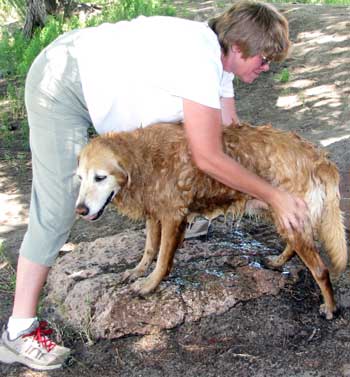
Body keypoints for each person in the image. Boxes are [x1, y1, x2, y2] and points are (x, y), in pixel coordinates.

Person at [0, 0, 309, 370]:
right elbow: (208, 157)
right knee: (57, 205)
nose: (266, 67)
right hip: (62, 82)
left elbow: (230, 134)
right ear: (239, 48)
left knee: (184, 142)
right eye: (263, 58)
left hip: (91, 72)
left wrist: (265, 183)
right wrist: (273, 195)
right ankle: (19, 330)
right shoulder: (201, 60)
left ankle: (185, 218)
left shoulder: (219, 58)